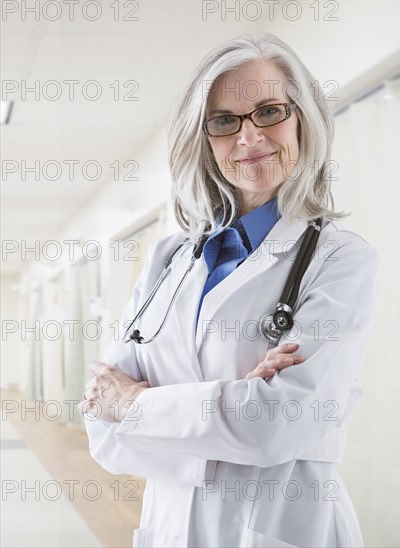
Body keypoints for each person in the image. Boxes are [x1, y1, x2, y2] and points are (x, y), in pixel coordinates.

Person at [79, 32, 379, 548]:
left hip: (280, 530)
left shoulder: (341, 259)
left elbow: (275, 424)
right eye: (224, 121)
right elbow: (101, 434)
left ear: (301, 118)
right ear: (205, 138)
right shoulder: (167, 259)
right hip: (169, 528)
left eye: (269, 111)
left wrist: (137, 404)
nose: (249, 137)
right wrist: (233, 406)